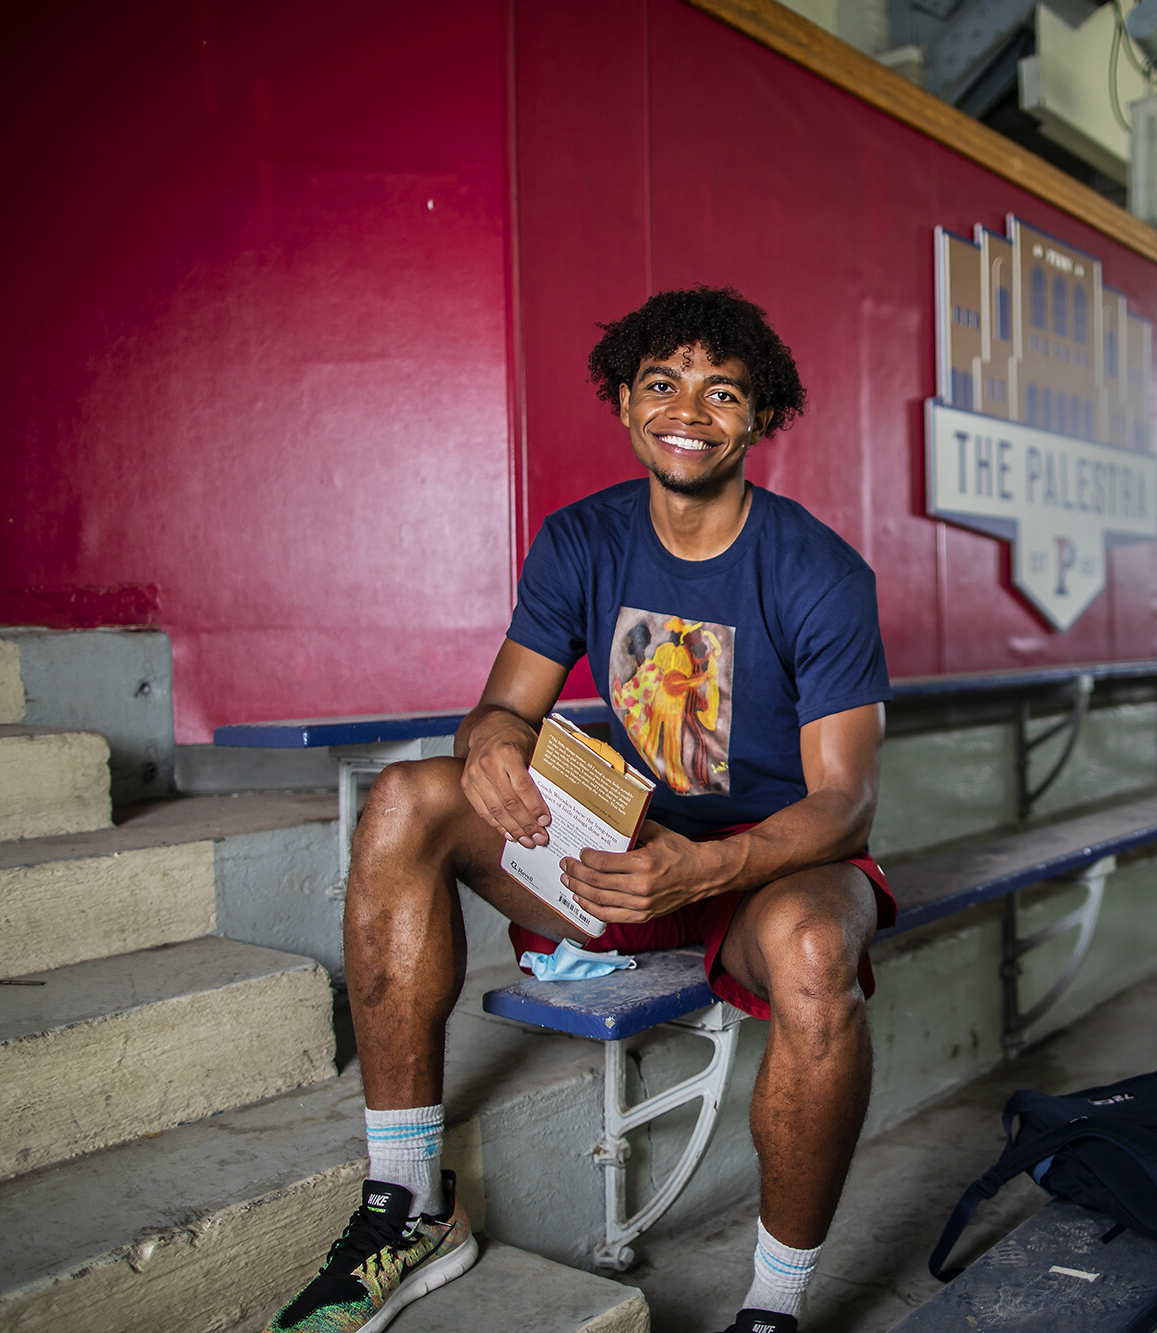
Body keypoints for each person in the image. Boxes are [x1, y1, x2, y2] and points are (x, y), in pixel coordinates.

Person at [269, 287, 893, 1333]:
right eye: (662, 383)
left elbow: (844, 800)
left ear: (758, 417)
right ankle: (408, 1200)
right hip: (626, 853)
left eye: (721, 391)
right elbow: (500, 706)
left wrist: (707, 869)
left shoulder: (819, 571)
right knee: (407, 798)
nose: (687, 409)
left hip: (767, 872)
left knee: (817, 949)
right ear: (623, 402)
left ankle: (772, 1306)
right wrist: (496, 746)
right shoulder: (578, 540)